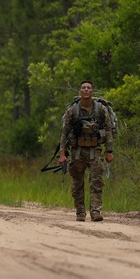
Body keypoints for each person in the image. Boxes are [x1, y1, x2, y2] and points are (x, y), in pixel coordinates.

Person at [57, 80, 115, 222]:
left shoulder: (100, 109)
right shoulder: (73, 110)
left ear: (92, 91)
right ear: (79, 91)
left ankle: (95, 211)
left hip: (95, 150)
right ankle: (80, 212)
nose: (86, 90)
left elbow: (108, 130)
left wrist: (109, 151)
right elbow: (65, 132)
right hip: (77, 151)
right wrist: (62, 153)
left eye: (89, 88)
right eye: (83, 88)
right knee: (77, 183)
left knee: (96, 181)